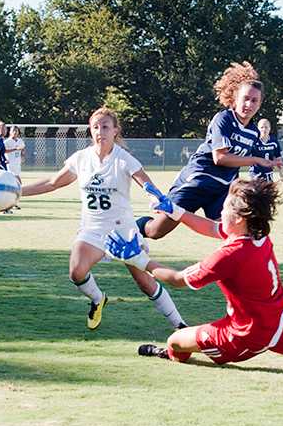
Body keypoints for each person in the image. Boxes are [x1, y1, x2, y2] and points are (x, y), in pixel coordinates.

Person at [106, 178, 283, 367]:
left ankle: (169, 355)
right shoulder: (258, 235)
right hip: (277, 317)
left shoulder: (229, 256)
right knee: (271, 336)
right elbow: (211, 227)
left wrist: (138, 259)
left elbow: (178, 280)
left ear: (241, 217)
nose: (220, 212)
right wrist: (175, 211)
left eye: (224, 208)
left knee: (175, 342)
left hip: (243, 335)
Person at [21, 106, 187, 332]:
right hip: (92, 230)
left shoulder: (123, 159)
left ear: (116, 130)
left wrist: (155, 197)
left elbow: (145, 182)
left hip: (124, 231)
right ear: (91, 131)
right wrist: (17, 192)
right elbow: (52, 182)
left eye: (106, 127)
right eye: (96, 127)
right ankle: (99, 299)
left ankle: (179, 324)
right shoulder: (81, 158)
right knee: (76, 271)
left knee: (145, 282)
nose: (100, 132)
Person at [136, 61, 283, 240]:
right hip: (198, 181)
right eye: (245, 98)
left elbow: (237, 163)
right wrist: (256, 160)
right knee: (155, 232)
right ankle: (126, 230)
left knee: (235, 233)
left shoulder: (253, 131)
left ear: (260, 104)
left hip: (222, 189)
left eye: (255, 100)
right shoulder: (223, 119)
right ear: (235, 98)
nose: (249, 104)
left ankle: (235, 267)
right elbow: (220, 158)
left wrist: (269, 163)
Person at [5, 126, 25, 211]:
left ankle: (13, 203)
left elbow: (23, 149)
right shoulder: (7, 142)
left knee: (17, 185)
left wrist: (23, 155)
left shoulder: (20, 141)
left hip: (17, 165)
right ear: (10, 132)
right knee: (17, 184)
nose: (15, 132)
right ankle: (10, 203)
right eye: (13, 131)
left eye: (16, 131)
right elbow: (4, 151)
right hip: (10, 165)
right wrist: (15, 149)